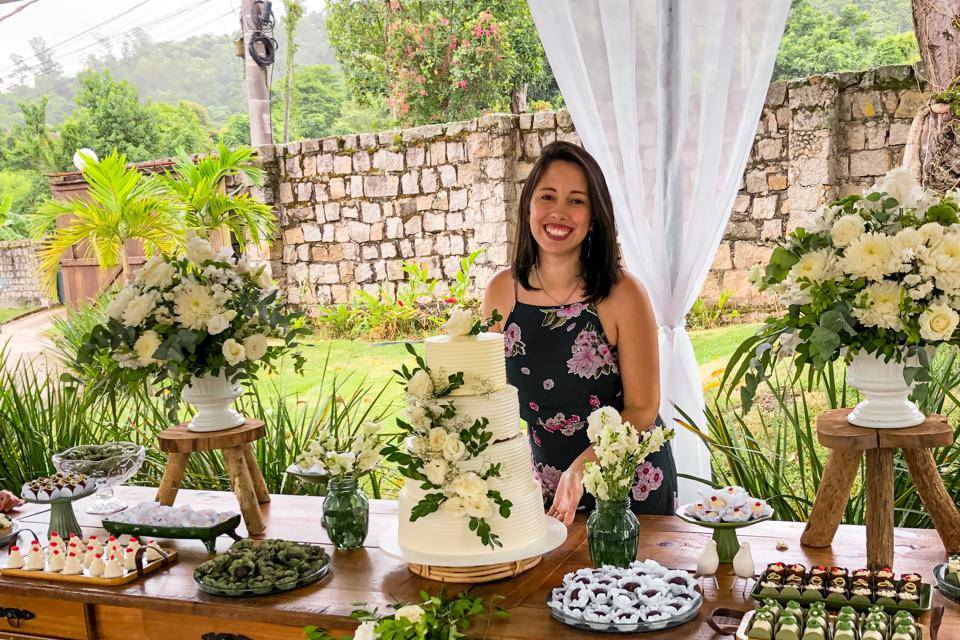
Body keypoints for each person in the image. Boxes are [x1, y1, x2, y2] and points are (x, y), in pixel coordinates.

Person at [482, 141, 677, 526]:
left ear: (594, 216)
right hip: (548, 489)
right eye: (548, 197)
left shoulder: (623, 293)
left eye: (576, 201)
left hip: (627, 487)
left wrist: (582, 468)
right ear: (528, 207)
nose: (559, 212)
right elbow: (491, 401)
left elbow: (642, 409)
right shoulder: (502, 291)